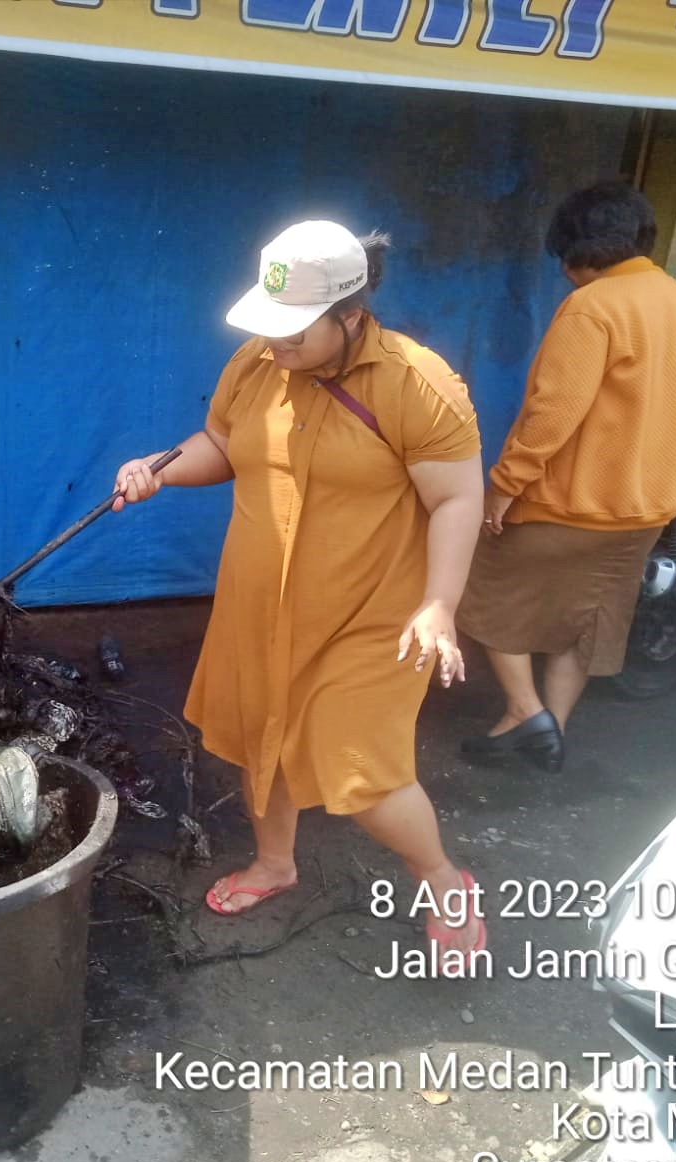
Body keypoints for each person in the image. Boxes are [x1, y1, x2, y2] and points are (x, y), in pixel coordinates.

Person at [113, 220, 487, 963]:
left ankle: (445, 881)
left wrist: (440, 603)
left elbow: (456, 499)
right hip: (261, 603)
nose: (275, 345)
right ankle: (276, 864)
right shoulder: (258, 363)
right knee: (264, 741)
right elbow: (222, 444)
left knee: (364, 771)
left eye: (295, 333)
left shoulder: (420, 384)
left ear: (351, 318)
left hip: (373, 614)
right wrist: (159, 468)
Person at [457, 182, 676, 771]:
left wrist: (503, 487)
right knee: (585, 619)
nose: (565, 274)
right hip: (646, 511)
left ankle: (526, 713)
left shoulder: (593, 306)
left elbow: (554, 412)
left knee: (487, 596)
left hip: (568, 507)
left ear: (578, 248)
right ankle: (553, 730)